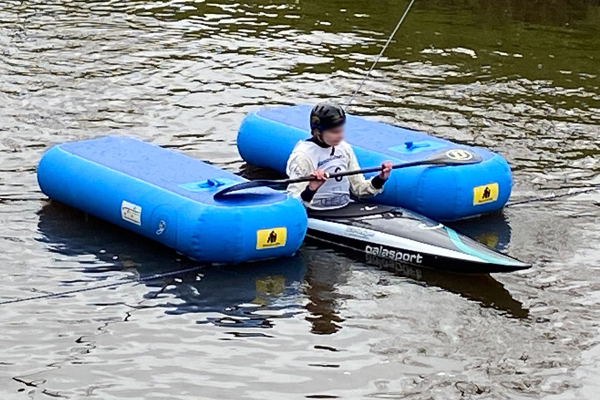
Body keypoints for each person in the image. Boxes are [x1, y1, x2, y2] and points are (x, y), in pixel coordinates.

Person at [286, 103, 393, 210]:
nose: (340, 136)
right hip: (316, 212)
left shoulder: (344, 148)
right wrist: (312, 188)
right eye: (334, 132)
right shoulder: (303, 156)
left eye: (341, 130)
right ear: (317, 132)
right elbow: (294, 204)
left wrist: (381, 178)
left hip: (344, 208)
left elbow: (359, 189)